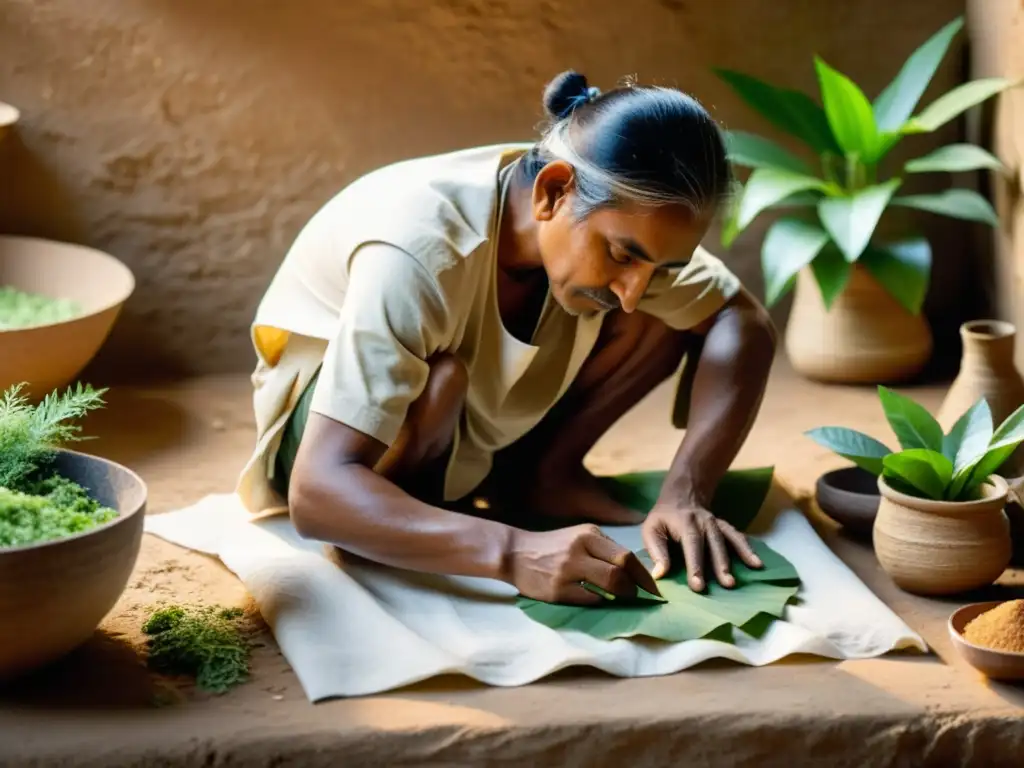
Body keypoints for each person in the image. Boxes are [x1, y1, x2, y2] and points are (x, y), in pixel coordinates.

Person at [234, 70, 777, 606]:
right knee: (441, 381)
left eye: (660, 266)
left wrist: (687, 491)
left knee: (659, 311)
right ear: (553, 192)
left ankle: (541, 474)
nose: (634, 289)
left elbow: (744, 324)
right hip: (339, 446)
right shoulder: (419, 251)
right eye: (622, 254)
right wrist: (514, 553)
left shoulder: (603, 201)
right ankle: (389, 522)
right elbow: (317, 491)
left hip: (469, 429)